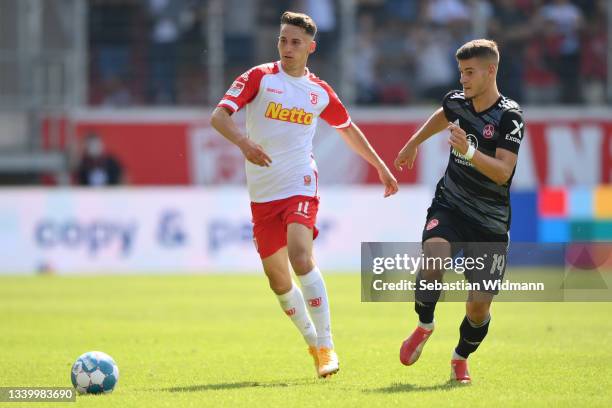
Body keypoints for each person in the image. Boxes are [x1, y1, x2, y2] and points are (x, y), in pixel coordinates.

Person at [210, 11, 398, 378]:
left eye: (296, 42)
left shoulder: (319, 92)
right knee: (278, 281)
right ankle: (313, 342)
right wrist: (244, 143)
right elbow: (219, 116)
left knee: (300, 256)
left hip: (300, 182)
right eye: (283, 39)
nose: (287, 47)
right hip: (263, 193)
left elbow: (348, 129)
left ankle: (327, 345)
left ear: (311, 47)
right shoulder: (259, 77)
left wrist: (380, 165)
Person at [394, 39, 524, 384]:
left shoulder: (509, 117)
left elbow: (502, 172)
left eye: (470, 72)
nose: (463, 80)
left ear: (490, 70)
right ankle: (424, 325)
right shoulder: (457, 100)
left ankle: (459, 357)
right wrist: (412, 143)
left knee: (478, 308)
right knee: (433, 258)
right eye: (461, 72)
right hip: (450, 205)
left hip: (491, 223)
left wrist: (467, 151)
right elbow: (444, 113)